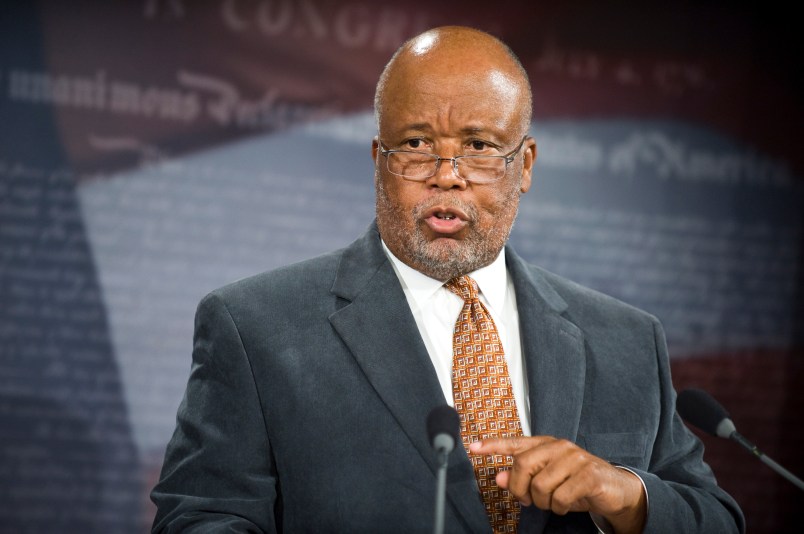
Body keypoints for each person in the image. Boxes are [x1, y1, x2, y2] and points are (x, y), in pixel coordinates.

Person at [151, 26, 744, 533]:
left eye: (480, 147)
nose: (448, 176)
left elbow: (714, 517)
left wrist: (626, 496)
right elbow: (201, 517)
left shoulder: (627, 339)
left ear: (526, 165)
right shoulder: (255, 326)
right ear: (379, 159)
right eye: (416, 145)